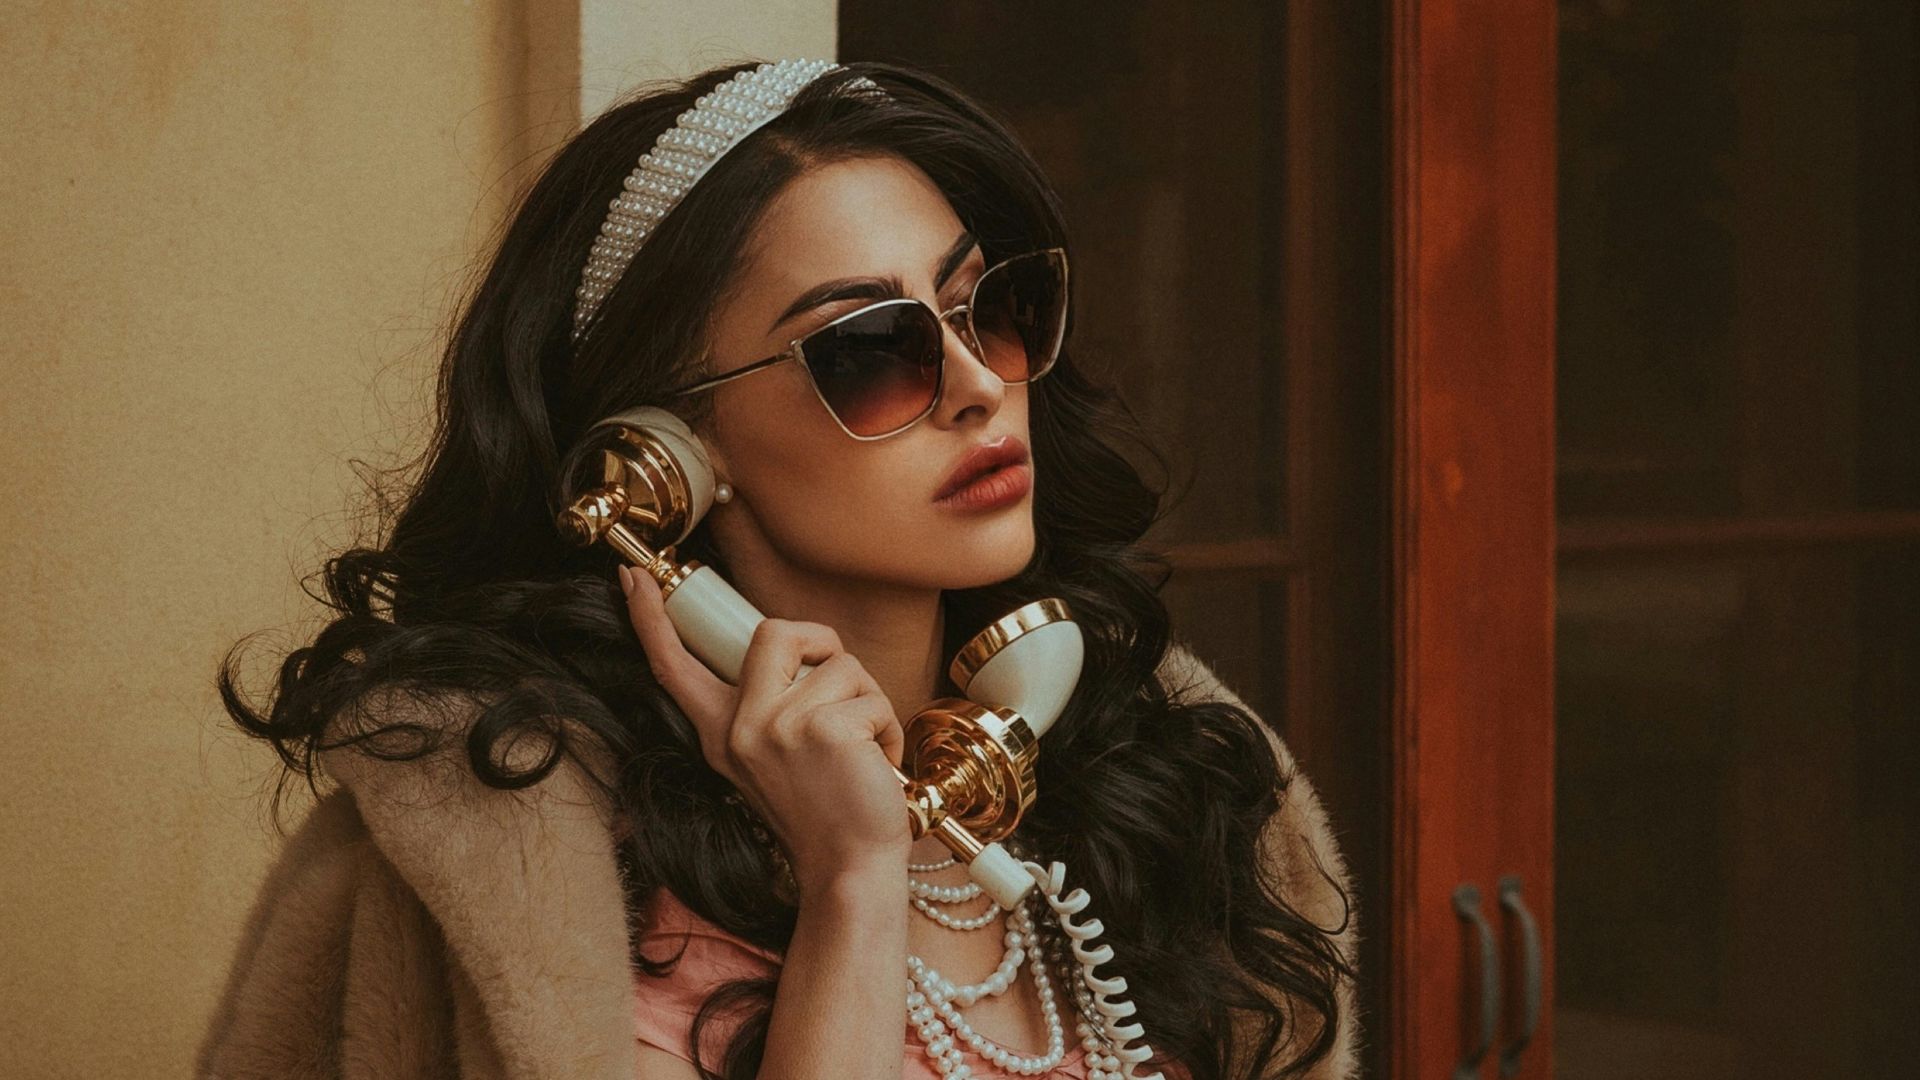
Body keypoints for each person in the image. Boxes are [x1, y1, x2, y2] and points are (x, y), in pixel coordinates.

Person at [197, 58, 1358, 1080]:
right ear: (668, 457)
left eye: (984, 310)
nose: (976, 386)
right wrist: (851, 878)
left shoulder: (1169, 790)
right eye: (871, 349)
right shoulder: (536, 884)